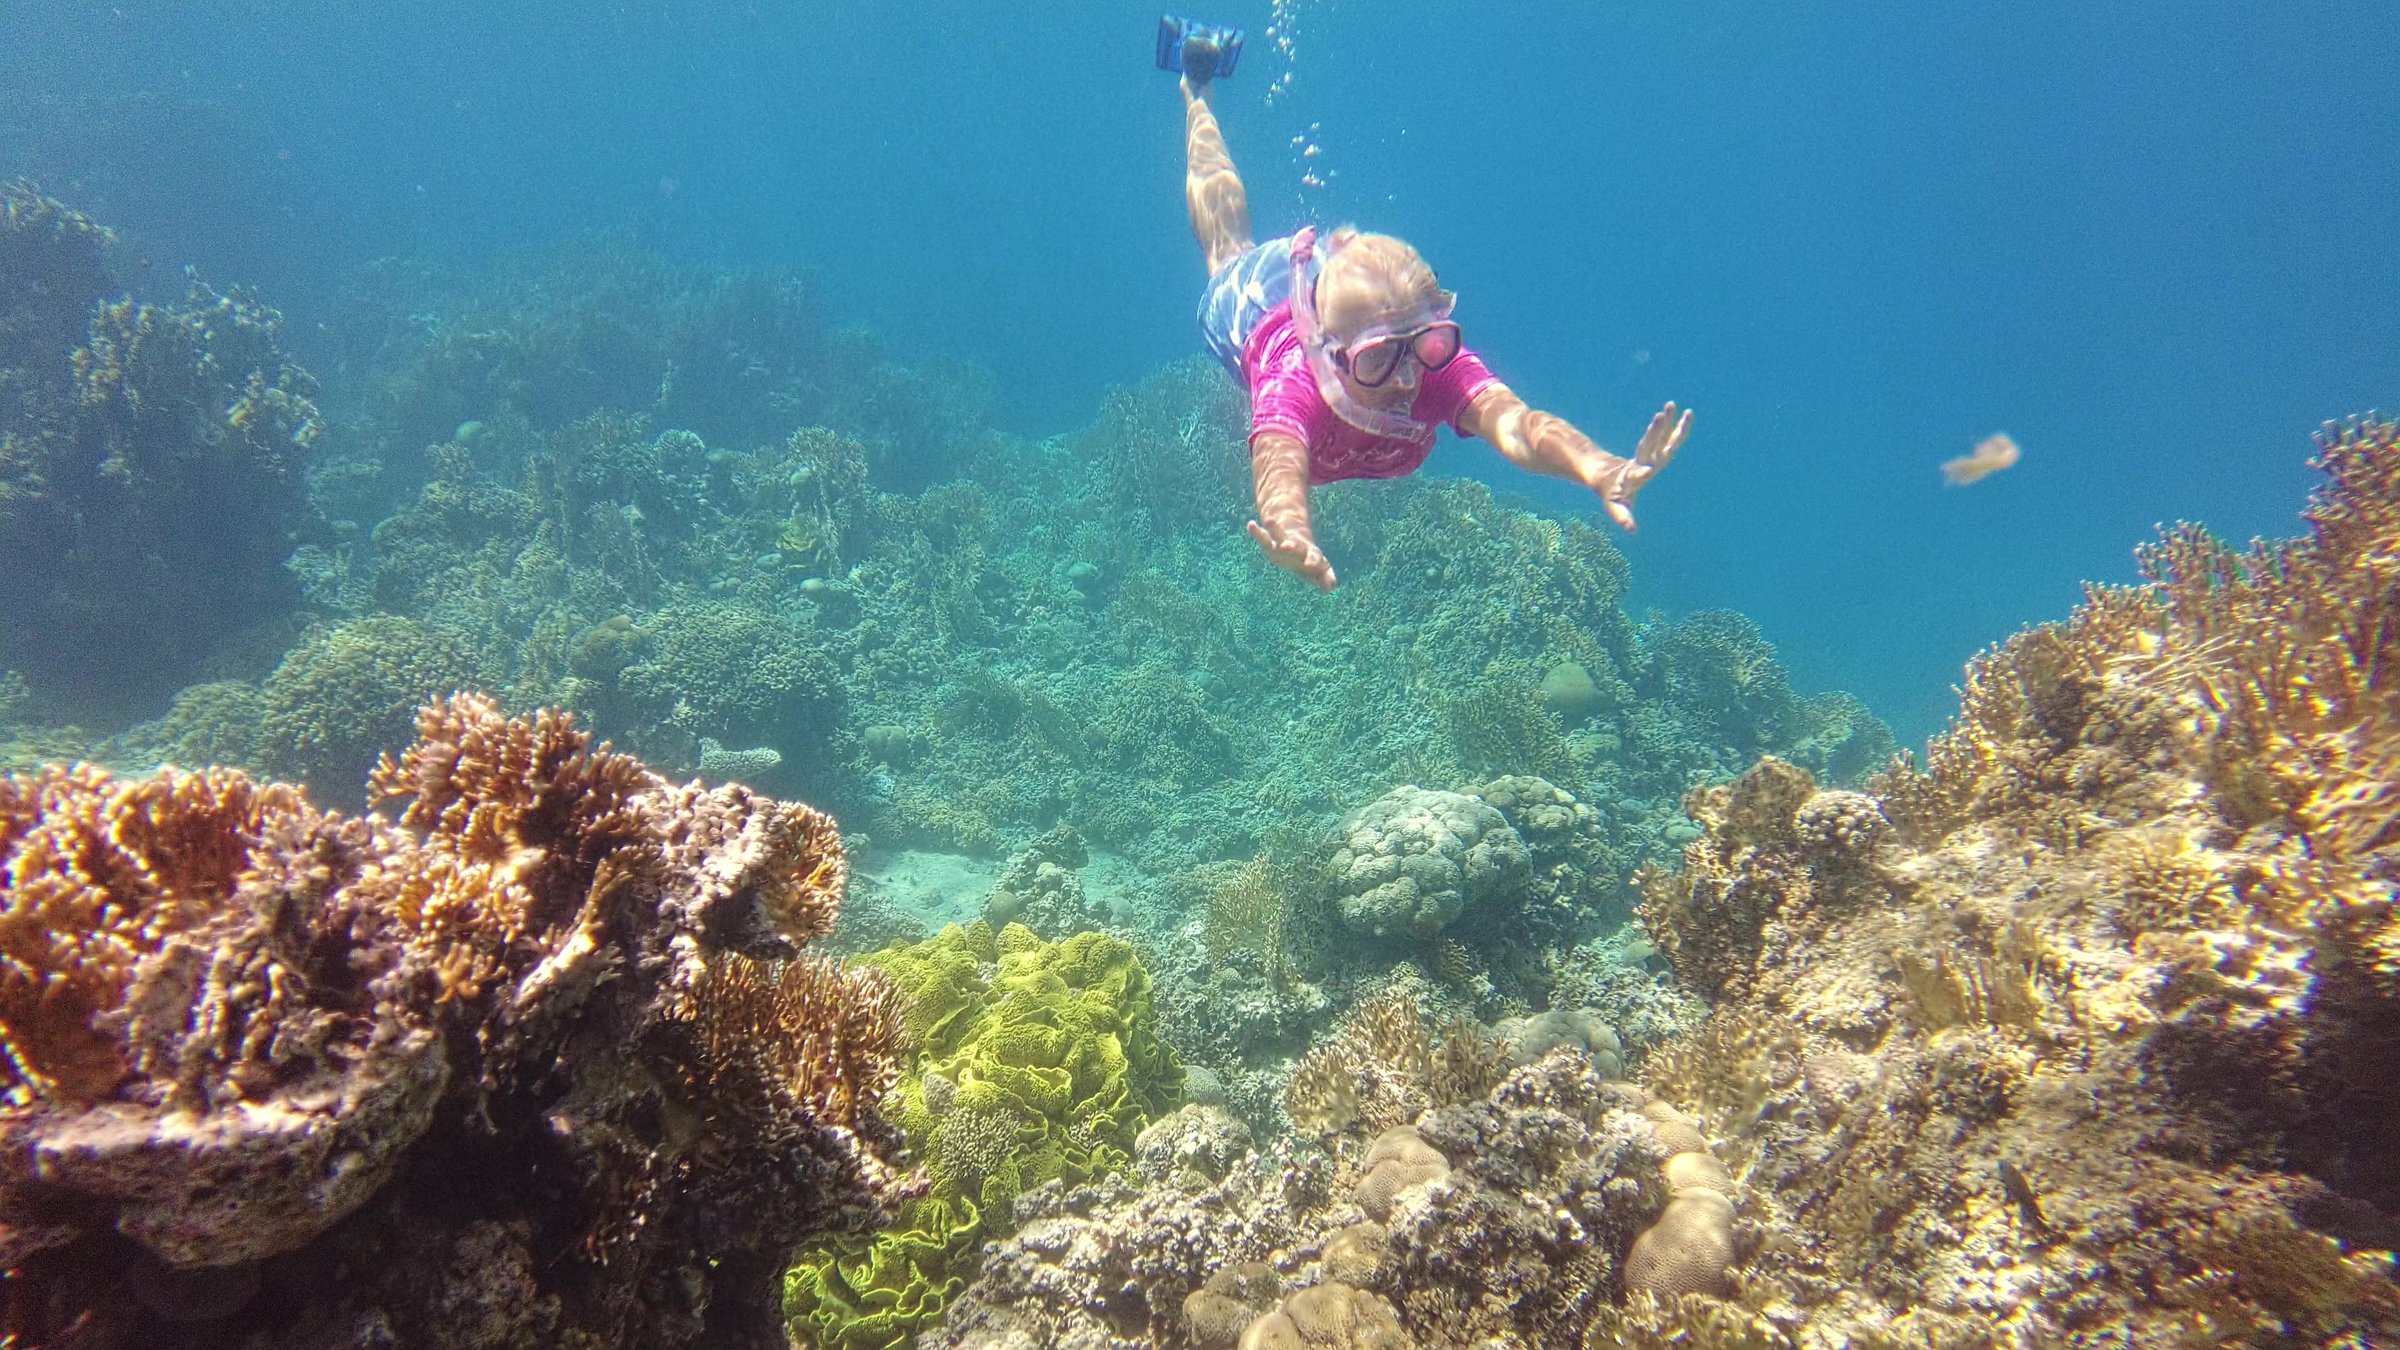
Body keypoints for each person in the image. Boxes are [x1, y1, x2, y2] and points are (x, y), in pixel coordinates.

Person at [1171, 28, 1692, 591]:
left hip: (1336, 288)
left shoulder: (1433, 369)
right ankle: (1195, 91)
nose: (1408, 377)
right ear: (1330, 353)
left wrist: (1598, 468)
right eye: (1377, 360)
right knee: (1225, 245)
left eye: (1430, 345)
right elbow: (1279, 461)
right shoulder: (1293, 379)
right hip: (1254, 307)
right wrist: (1289, 527)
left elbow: (1516, 427)